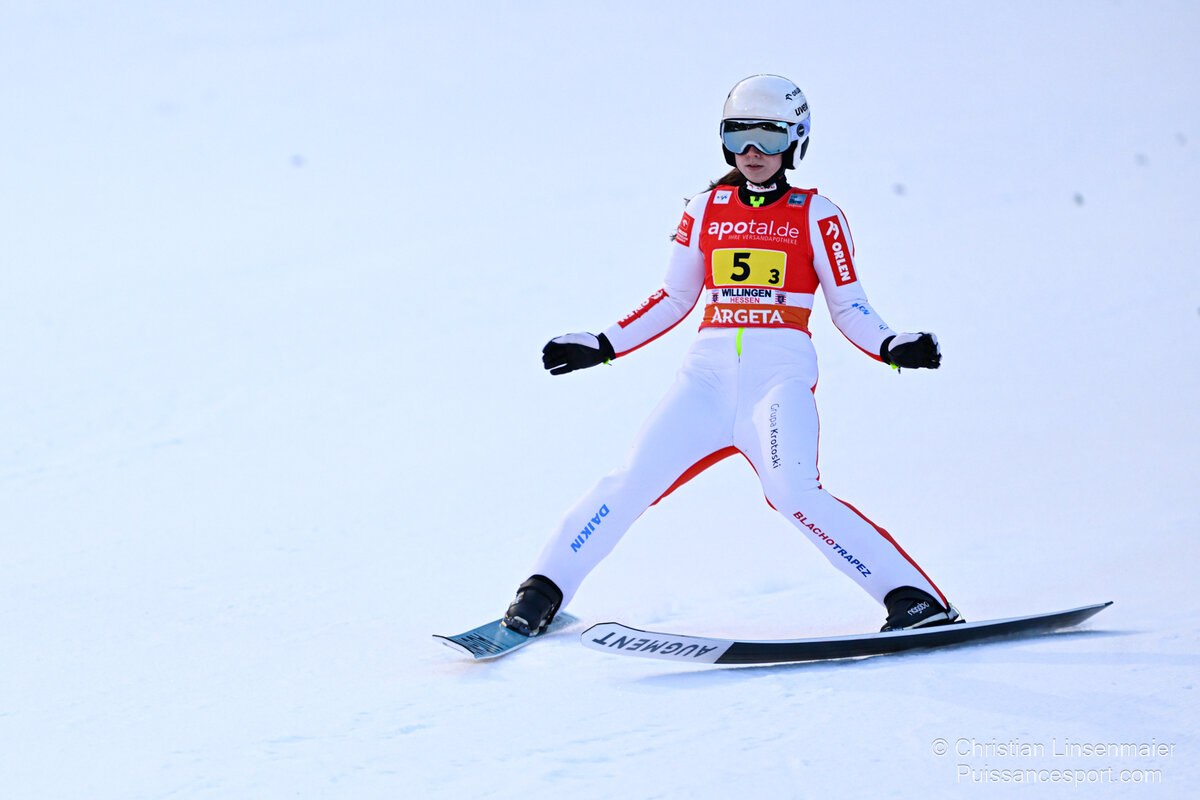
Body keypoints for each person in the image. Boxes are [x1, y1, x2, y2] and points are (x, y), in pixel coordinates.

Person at [502, 74, 962, 637]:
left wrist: (892, 345)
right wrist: (602, 344)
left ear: (797, 140)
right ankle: (540, 593)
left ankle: (916, 601)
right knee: (632, 480)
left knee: (793, 494)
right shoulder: (704, 210)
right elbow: (673, 298)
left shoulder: (817, 215)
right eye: (738, 135)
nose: (753, 151)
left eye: (770, 137)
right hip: (705, 383)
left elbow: (849, 306)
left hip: (777, 382)